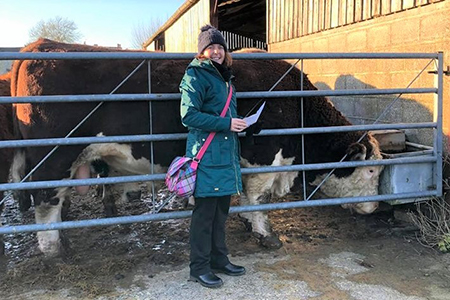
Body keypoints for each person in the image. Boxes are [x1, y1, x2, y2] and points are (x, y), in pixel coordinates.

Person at [179, 24, 248, 289]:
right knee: (204, 214)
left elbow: (225, 117)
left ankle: (219, 259)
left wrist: (243, 125)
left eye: (220, 47)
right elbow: (188, 116)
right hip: (206, 156)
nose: (217, 51)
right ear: (202, 52)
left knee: (221, 213)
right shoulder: (196, 76)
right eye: (211, 47)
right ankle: (199, 268)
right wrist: (228, 125)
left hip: (225, 155)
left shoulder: (225, 78)